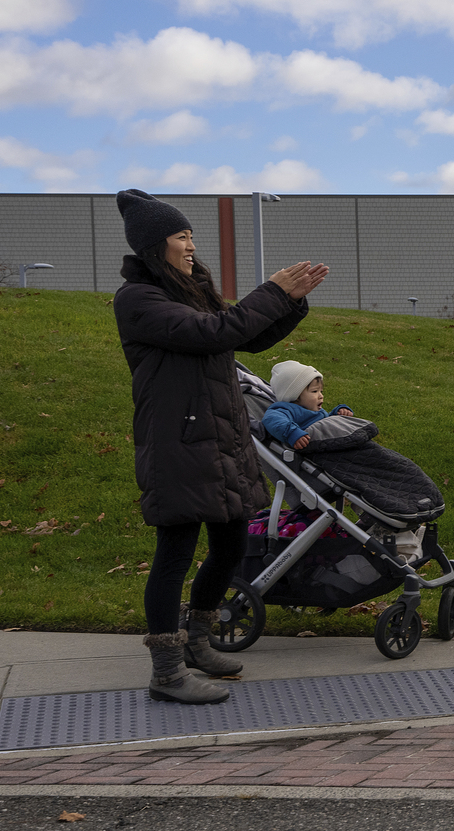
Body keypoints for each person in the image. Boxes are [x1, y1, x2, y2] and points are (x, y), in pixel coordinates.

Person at [113, 189, 327, 704]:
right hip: (178, 443)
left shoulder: (188, 291)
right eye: (181, 237)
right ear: (153, 245)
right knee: (175, 552)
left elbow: (244, 336)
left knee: (231, 542)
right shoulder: (140, 300)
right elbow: (216, 332)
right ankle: (166, 670)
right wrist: (272, 290)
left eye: (191, 236)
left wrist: (289, 300)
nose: (191, 245)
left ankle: (198, 642)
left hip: (219, 438)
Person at [261, 361, 354, 449]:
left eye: (321, 391)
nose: (321, 396)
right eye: (314, 391)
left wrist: (336, 415)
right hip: (313, 447)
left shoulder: (315, 410)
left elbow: (323, 424)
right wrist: (292, 433)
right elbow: (272, 419)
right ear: (296, 395)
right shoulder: (286, 410)